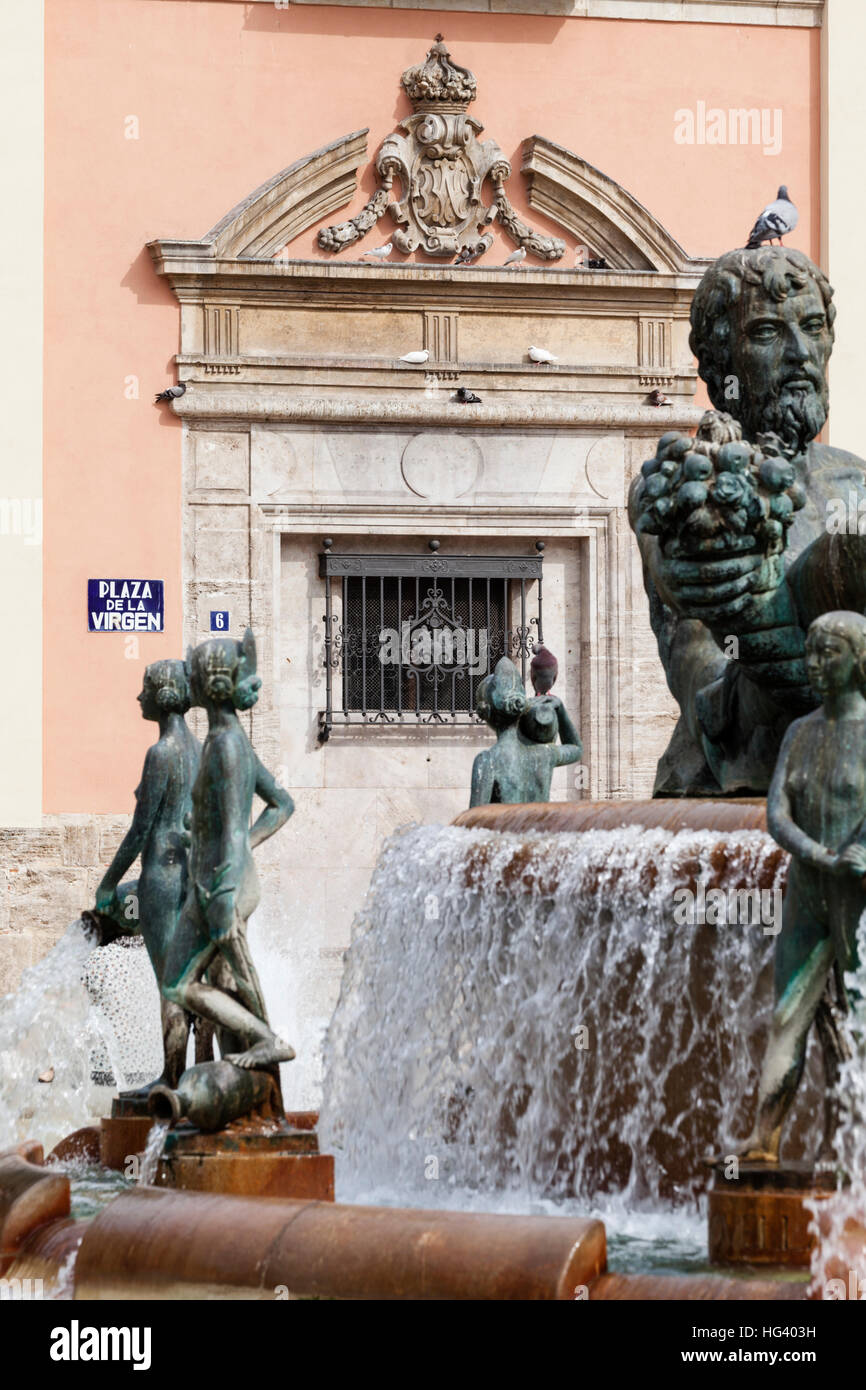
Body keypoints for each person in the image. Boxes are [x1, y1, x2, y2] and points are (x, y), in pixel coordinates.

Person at [630, 246, 866, 796]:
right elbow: (706, 675)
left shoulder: (857, 482)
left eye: (812, 328)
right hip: (739, 775)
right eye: (766, 333)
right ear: (718, 363)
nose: (799, 354)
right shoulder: (683, 490)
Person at [739, 611, 866, 1163]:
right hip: (808, 890)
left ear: (859, 660)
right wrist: (816, 853)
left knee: (859, 1017)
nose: (814, 665)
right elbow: (775, 812)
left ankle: (848, 1149)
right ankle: (764, 1142)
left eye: (829, 653)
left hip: (859, 895)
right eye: (811, 652)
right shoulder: (799, 731)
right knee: (788, 1013)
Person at [160, 630, 296, 1072]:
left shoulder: (226, 747)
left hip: (224, 886)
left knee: (234, 972)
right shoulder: (227, 738)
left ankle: (268, 1040)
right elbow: (282, 804)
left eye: (193, 673)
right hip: (215, 879)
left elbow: (239, 827)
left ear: (207, 685)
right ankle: (260, 1041)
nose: (189, 680)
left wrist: (225, 890)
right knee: (178, 985)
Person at [94, 659, 202, 1091]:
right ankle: (200, 1070)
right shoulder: (197, 749)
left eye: (145, 689)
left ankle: (171, 1079)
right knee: (194, 976)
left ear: (163, 696)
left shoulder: (161, 753)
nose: (139, 697)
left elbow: (141, 829)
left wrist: (107, 883)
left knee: (170, 983)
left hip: (160, 878)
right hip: (191, 877)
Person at [469, 656, 582, 806]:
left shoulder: (487, 761)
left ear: (486, 714)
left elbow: (475, 819)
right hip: (540, 829)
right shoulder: (545, 753)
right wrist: (559, 708)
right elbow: (577, 748)